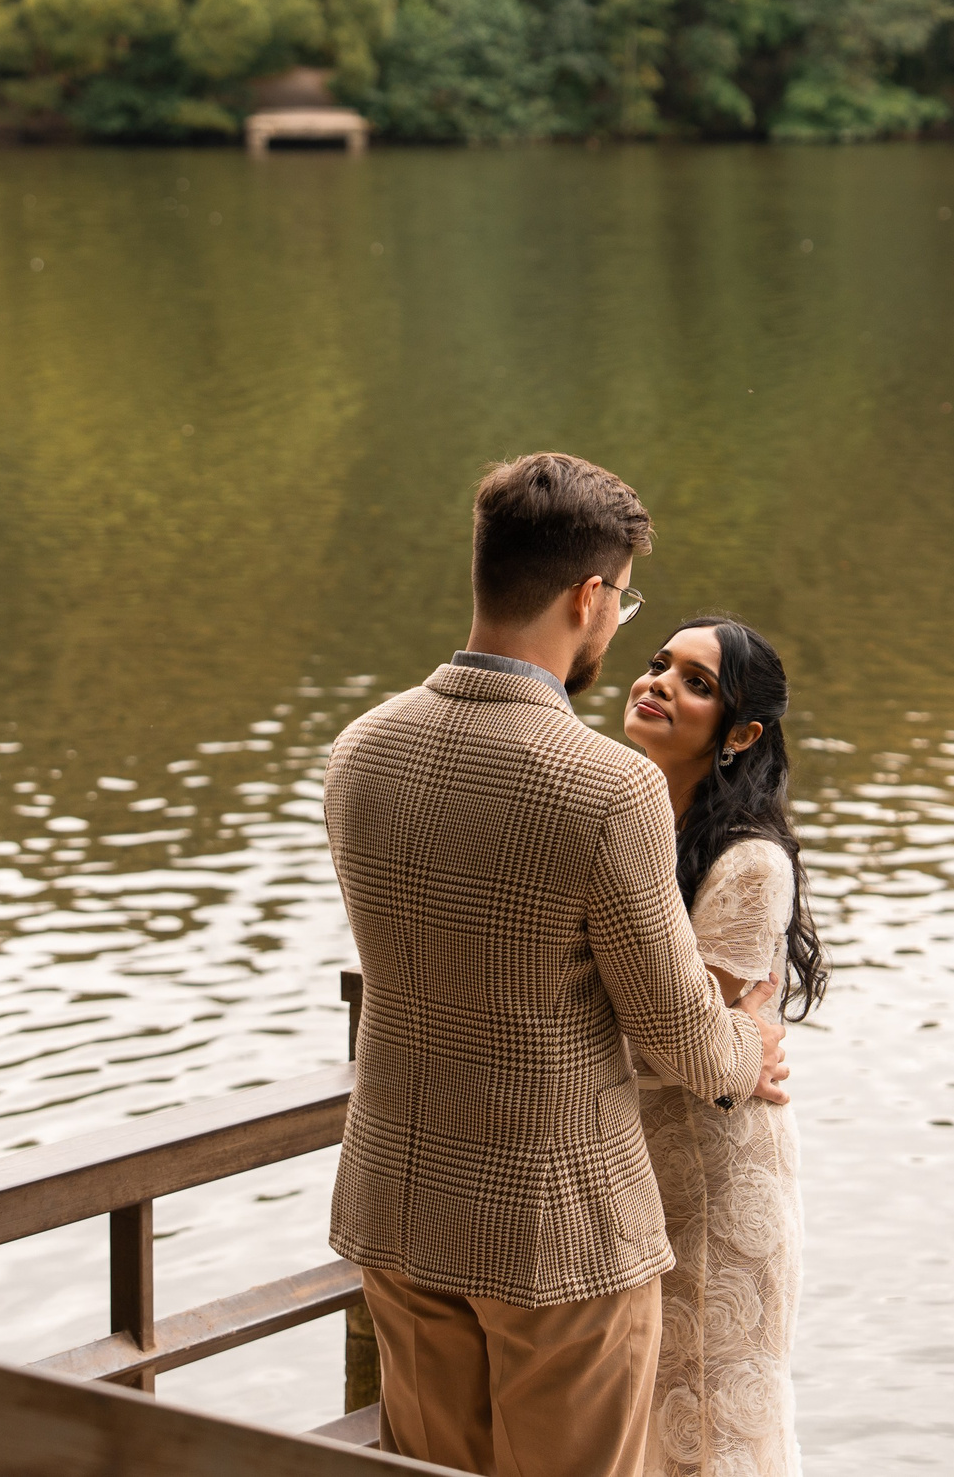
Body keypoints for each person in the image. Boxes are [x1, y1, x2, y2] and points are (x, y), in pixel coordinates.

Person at [323, 452, 792, 1477]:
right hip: (558, 1235)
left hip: (396, 1207)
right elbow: (681, 1035)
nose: (621, 627)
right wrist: (747, 1044)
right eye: (625, 604)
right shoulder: (606, 787)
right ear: (587, 597)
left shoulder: (360, 751)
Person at [622, 616, 824, 1477]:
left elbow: (680, 1045)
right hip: (634, 1165)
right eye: (661, 662)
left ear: (743, 732)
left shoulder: (749, 863)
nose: (660, 681)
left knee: (708, 1420)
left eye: (696, 681)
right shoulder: (629, 821)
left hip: (711, 1171)